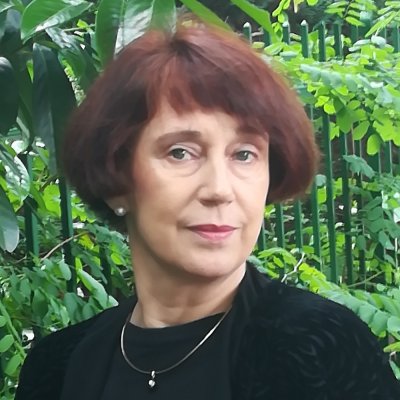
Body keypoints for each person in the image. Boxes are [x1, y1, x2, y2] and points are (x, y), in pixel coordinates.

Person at [16, 20, 400, 400]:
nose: (219, 190)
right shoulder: (57, 367)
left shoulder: (320, 349)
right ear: (116, 179)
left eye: (244, 154)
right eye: (180, 152)